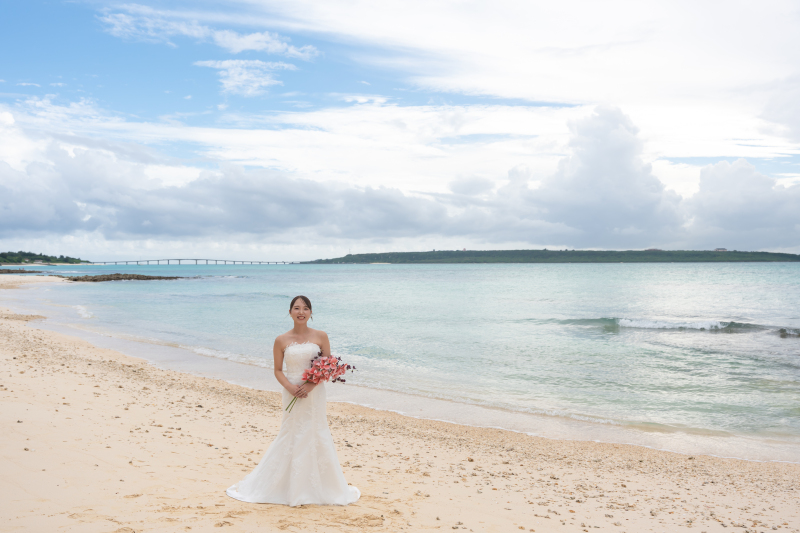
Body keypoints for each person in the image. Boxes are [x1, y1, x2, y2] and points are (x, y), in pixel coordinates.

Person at [225, 295, 361, 506]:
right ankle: (286, 486)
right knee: (291, 432)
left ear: (311, 313)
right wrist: (290, 387)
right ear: (289, 313)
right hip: (291, 391)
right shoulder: (281, 340)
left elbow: (327, 366)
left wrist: (310, 385)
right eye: (296, 308)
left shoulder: (321, 336)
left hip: (314, 392)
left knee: (316, 431)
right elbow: (278, 370)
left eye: (305, 308)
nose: (301, 312)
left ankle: (319, 487)